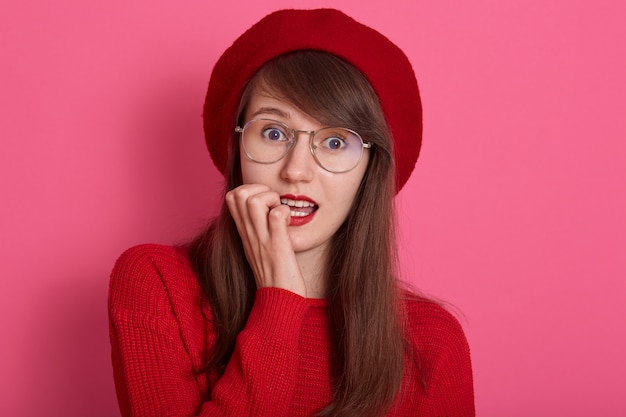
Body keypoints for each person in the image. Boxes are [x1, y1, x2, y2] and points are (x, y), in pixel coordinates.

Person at [108, 8, 474, 417]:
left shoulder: (431, 342)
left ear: (371, 169)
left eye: (335, 142)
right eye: (273, 133)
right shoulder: (158, 284)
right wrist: (279, 301)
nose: (295, 170)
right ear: (238, 150)